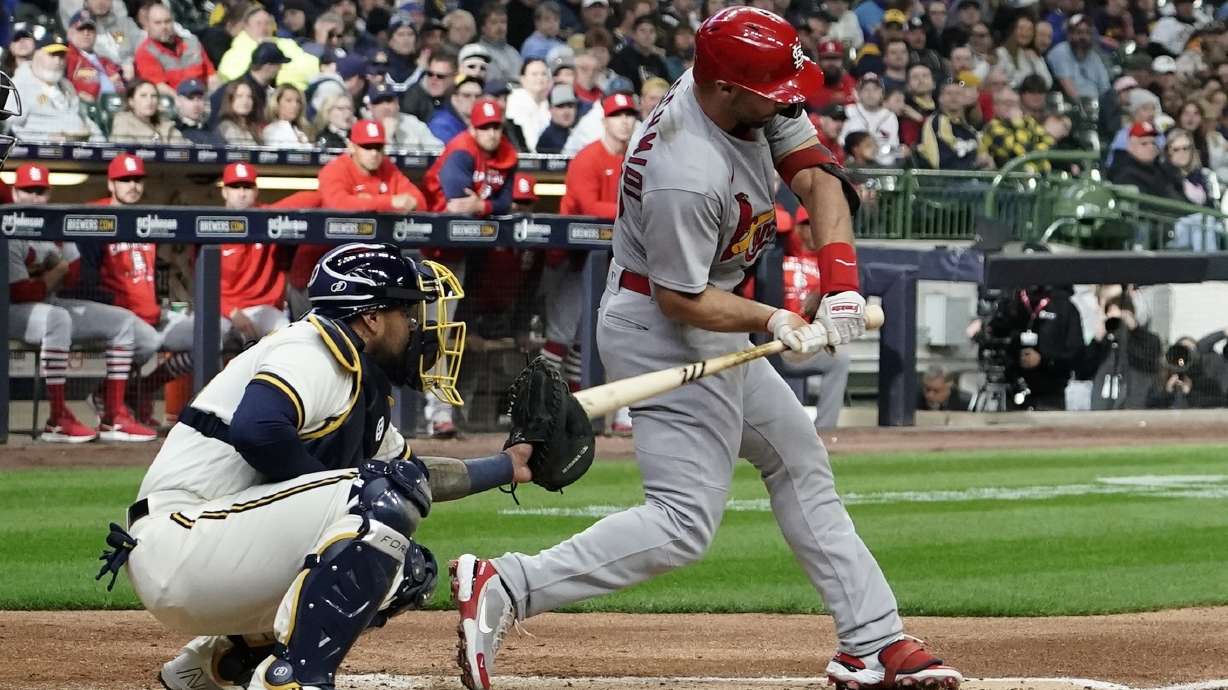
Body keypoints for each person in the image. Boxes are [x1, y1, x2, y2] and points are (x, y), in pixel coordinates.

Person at [449, 9, 963, 690]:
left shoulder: (741, 97)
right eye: (772, 88)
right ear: (724, 88)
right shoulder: (685, 169)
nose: (787, 96)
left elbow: (819, 178)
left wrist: (839, 285)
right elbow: (679, 299)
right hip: (661, 321)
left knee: (797, 458)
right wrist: (777, 317)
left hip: (708, 306)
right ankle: (504, 584)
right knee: (682, 524)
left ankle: (871, 640)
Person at [104, 243, 547, 690]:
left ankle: (215, 665)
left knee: (408, 569)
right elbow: (257, 429)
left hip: (214, 550)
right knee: (375, 504)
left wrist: (509, 466)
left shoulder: (356, 378)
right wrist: (341, 492)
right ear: (371, 317)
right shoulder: (311, 347)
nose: (417, 328)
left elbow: (417, 477)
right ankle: (294, 679)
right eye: (407, 314)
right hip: (180, 541)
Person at [7, 163, 149, 443]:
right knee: (57, 318)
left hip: (47, 301)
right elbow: (22, 292)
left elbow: (74, 278)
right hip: (8, 309)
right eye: (28, 191)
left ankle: (113, 416)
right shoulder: (9, 227)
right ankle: (57, 417)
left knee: (120, 321)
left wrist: (51, 274)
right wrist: (55, 271)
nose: (35, 198)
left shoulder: (55, 226)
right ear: (14, 192)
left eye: (40, 191)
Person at [214, 163, 291, 347]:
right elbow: (204, 284)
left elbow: (311, 199)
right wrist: (232, 312)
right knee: (212, 338)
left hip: (264, 308)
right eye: (235, 187)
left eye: (247, 187)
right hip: (225, 310)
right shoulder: (213, 226)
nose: (242, 193)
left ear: (256, 191)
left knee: (286, 335)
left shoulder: (269, 219)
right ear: (224, 192)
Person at [10, 33, 105, 143]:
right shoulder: (19, 85)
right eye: (52, 55)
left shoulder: (66, 86)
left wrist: (102, 143)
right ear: (37, 54)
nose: (57, 61)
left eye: (61, 56)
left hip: (78, 150)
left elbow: (84, 119)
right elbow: (12, 126)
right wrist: (47, 139)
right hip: (42, 153)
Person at [318, 119, 427, 212]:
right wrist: (390, 202)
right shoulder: (335, 169)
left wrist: (368, 202)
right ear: (351, 147)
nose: (374, 153)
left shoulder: (387, 166)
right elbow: (337, 204)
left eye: (378, 147)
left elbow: (420, 202)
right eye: (367, 147)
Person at [133, 2, 217, 98]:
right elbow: (159, 87)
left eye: (167, 21)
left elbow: (211, 75)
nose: (164, 27)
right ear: (147, 26)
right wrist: (183, 102)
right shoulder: (145, 52)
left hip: (202, 97)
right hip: (173, 103)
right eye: (158, 23)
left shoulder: (192, 42)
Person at [983, 87, 1054, 171]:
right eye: (1006, 103)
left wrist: (1036, 155)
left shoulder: (1028, 121)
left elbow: (1049, 141)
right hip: (1008, 175)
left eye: (1013, 103)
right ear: (995, 106)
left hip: (1035, 171)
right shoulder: (992, 126)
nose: (1010, 107)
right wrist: (1017, 125)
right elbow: (1013, 152)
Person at [64, 9, 126, 103]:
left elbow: (121, 87)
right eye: (80, 29)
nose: (86, 33)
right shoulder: (66, 58)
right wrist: (77, 94)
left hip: (116, 106)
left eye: (90, 29)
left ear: (96, 34)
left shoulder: (106, 62)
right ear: (70, 33)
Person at [1046, 14, 1109, 102]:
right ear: (1069, 34)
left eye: (1088, 33)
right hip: (1073, 105)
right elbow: (1070, 91)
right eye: (1079, 32)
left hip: (1097, 106)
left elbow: (1105, 88)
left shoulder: (1094, 57)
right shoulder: (1060, 52)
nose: (1083, 37)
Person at [841, 73, 899, 166]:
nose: (870, 93)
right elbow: (841, 142)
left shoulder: (890, 116)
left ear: (882, 93)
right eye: (866, 89)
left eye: (875, 89)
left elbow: (893, 146)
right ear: (859, 93)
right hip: (854, 167)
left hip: (883, 168)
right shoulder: (849, 111)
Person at [109, 79, 188, 144]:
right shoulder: (123, 123)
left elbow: (186, 151)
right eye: (143, 96)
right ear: (131, 101)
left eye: (153, 96)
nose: (149, 101)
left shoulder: (165, 124)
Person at [367, 82, 442, 149]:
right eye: (378, 102)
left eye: (389, 101)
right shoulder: (365, 127)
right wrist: (388, 137)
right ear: (370, 107)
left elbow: (439, 149)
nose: (385, 107)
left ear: (397, 103)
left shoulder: (412, 123)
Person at [609, 15, 670, 93]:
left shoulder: (657, 60)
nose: (647, 35)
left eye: (651, 31)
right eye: (642, 31)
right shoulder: (622, 57)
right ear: (634, 34)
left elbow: (667, 84)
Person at [505, 58, 553, 151]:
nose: (540, 78)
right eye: (534, 74)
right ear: (522, 79)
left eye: (544, 74)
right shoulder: (514, 100)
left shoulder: (550, 104)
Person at [996, 16, 1053, 90]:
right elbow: (1001, 83)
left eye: (1029, 30)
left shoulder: (1034, 55)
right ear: (1012, 30)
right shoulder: (1001, 53)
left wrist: (1036, 61)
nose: (1025, 33)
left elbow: (1048, 83)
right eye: (1021, 28)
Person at [429, 74, 485, 144]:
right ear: (454, 99)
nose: (473, 100)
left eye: (478, 96)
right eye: (466, 95)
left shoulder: (482, 123)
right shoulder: (441, 125)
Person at [476, 3, 523, 85]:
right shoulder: (479, 52)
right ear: (483, 27)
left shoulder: (513, 52)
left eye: (503, 22)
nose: (500, 27)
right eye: (494, 22)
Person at [173, 79, 224, 146]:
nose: (196, 104)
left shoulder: (213, 129)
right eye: (190, 98)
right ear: (178, 101)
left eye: (200, 98)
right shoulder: (172, 130)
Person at [213, 80, 265, 146]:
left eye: (249, 96)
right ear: (230, 100)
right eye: (239, 96)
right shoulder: (226, 127)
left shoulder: (255, 128)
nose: (245, 101)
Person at [262, 84, 313, 148]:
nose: (295, 105)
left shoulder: (303, 130)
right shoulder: (271, 131)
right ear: (277, 103)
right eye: (288, 100)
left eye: (298, 101)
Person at [533, 82, 578, 153]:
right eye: (560, 106)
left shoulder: (577, 132)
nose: (566, 112)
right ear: (550, 109)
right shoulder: (548, 139)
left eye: (570, 106)